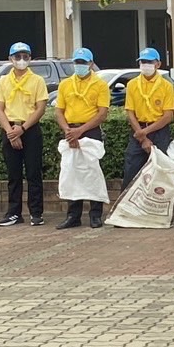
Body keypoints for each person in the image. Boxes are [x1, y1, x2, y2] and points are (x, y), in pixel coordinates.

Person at [0, 41, 48, 227]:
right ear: (10, 59)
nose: (21, 60)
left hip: (29, 129)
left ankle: (36, 213)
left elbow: (40, 108)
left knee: (34, 173)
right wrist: (11, 132)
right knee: (14, 174)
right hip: (10, 129)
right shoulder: (3, 81)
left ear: (30, 58)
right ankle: (14, 213)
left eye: (25, 57)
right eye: (18, 57)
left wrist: (22, 129)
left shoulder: (37, 81)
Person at [55, 47, 110, 229]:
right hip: (70, 130)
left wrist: (81, 131)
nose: (80, 65)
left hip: (90, 130)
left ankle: (95, 215)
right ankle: (73, 215)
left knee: (92, 172)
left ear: (91, 63)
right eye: (77, 62)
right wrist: (68, 130)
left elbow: (102, 113)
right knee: (71, 173)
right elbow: (59, 111)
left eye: (83, 62)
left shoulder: (100, 85)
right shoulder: (65, 84)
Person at [122, 47, 174, 189]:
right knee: (131, 169)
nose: (145, 65)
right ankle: (126, 202)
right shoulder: (132, 84)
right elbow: (130, 112)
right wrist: (142, 137)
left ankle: (158, 202)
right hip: (138, 130)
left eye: (149, 62)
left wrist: (144, 133)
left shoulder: (166, 86)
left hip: (158, 131)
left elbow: (168, 116)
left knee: (160, 171)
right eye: (143, 62)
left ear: (158, 64)